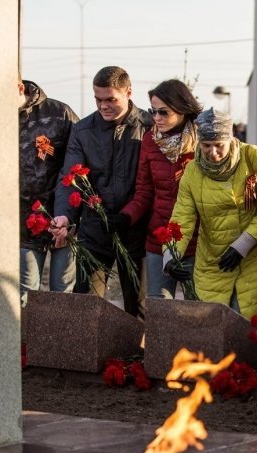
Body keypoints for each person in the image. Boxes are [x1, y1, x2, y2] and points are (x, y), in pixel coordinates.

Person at [52, 66, 152, 317]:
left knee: (138, 306)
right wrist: (64, 215)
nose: (103, 106)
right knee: (86, 304)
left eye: (111, 99)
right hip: (95, 230)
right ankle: (86, 355)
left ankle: (137, 355)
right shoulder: (83, 130)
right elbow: (69, 178)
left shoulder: (150, 127)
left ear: (128, 93)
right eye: (98, 99)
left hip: (136, 230)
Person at [167, 108, 257, 318]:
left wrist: (243, 246)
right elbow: (181, 217)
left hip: (254, 258)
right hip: (214, 260)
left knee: (246, 325)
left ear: (231, 140)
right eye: (206, 146)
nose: (213, 153)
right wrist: (171, 256)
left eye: (219, 145)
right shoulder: (192, 172)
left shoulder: (253, 158)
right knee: (214, 328)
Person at [116, 79, 201, 299]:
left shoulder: (202, 143)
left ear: (182, 109)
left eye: (163, 112)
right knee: (158, 307)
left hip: (197, 241)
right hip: (158, 238)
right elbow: (144, 191)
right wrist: (126, 216)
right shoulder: (150, 140)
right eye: (153, 111)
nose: (156, 118)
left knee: (197, 309)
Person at [18, 79, 78, 306]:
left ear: (19, 87)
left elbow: (77, 164)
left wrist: (70, 217)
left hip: (62, 219)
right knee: (24, 295)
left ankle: (59, 342)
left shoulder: (59, 114)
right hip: (24, 225)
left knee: (61, 297)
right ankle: (24, 343)